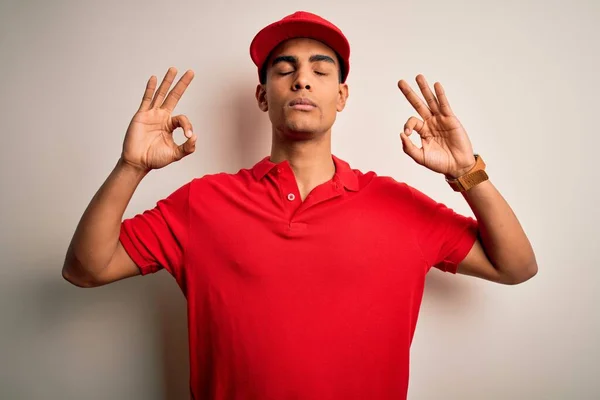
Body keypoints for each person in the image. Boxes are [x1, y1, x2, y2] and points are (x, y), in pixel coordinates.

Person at [62, 10, 538, 400]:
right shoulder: (203, 202)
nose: (302, 81)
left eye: (320, 70)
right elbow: (86, 268)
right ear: (262, 95)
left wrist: (465, 173)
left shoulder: (398, 205)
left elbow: (516, 265)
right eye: (285, 69)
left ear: (342, 95)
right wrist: (131, 167)